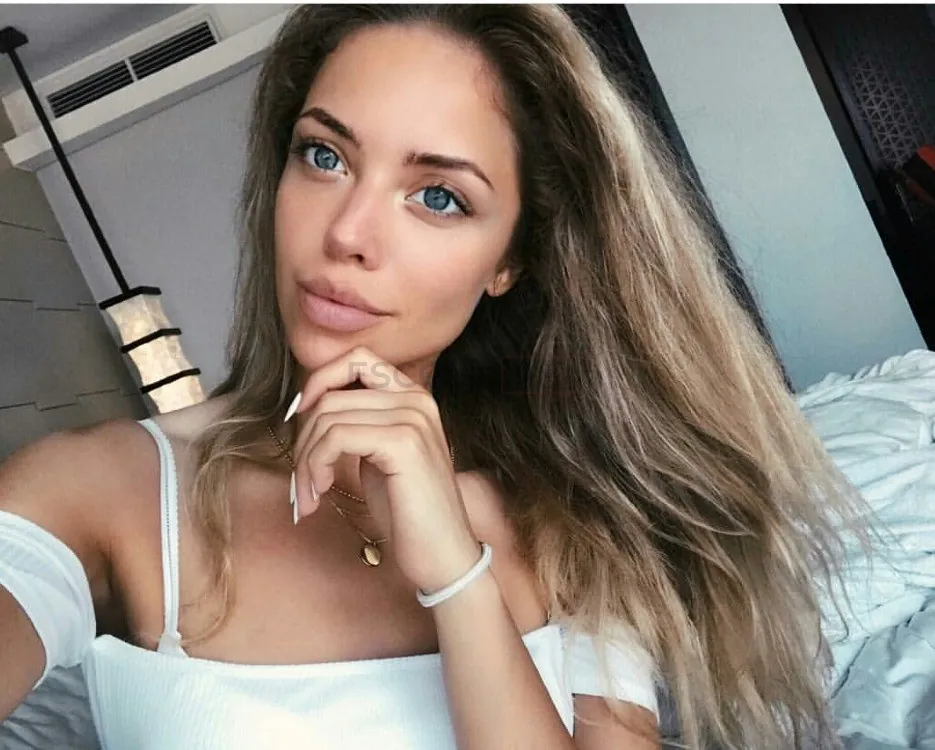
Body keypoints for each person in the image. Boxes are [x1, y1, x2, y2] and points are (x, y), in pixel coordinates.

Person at [0, 5, 862, 749]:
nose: (347, 233)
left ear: (510, 261)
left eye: (438, 196)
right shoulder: (102, 490)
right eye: (324, 156)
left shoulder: (572, 521)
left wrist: (458, 578)